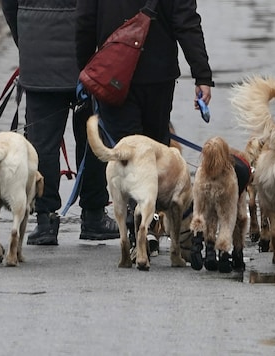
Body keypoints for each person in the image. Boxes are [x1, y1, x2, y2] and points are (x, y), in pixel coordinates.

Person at [75, 0, 215, 255]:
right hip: (158, 75)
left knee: (127, 151)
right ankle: (148, 224)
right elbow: (186, 22)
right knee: (153, 149)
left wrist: (86, 69)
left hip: (113, 72)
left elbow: (84, 20)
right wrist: (202, 75)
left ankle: (136, 225)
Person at [1, 0, 119, 246]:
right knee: (92, 136)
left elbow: (9, 6)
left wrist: (27, 42)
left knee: (41, 143)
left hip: (38, 56)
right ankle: (94, 215)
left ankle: (45, 220)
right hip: (88, 57)